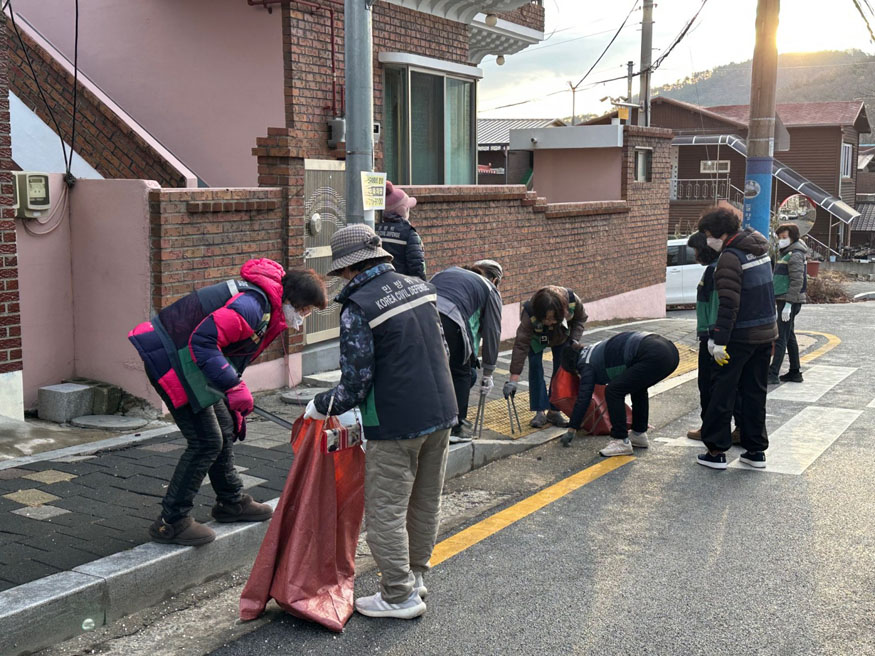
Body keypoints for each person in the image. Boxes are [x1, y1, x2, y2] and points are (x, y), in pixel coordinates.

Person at [303, 224, 457, 620]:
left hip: (397, 419)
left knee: (387, 509)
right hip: (442, 410)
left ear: (349, 269)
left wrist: (321, 405)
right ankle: (417, 578)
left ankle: (399, 595)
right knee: (425, 501)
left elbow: (355, 383)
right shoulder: (420, 286)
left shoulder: (360, 307)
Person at [128, 260, 327, 546]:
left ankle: (231, 502)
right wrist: (233, 386)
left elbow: (226, 350)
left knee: (223, 426)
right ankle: (171, 522)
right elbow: (204, 342)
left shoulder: (264, 304)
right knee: (206, 441)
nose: (303, 317)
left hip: (188, 361)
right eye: (305, 310)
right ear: (292, 300)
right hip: (171, 359)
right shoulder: (252, 306)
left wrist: (231, 391)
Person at [695, 206, 777, 470]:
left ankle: (716, 451)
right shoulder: (759, 249)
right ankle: (755, 450)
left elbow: (729, 305)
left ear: (720, 233)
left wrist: (718, 340)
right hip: (766, 333)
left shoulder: (731, 257)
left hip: (740, 337)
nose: (708, 240)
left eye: (708, 234)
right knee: (755, 392)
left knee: (722, 391)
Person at [558, 331, 679, 456]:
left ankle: (621, 440)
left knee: (613, 391)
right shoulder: (592, 349)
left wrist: (572, 429)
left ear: (573, 367)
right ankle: (638, 434)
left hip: (654, 354)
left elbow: (584, 398)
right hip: (670, 351)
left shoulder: (585, 364)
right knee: (637, 386)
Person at [430, 261, 503, 443]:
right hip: (450, 320)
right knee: (461, 372)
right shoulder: (490, 289)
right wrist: (488, 372)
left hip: (420, 315)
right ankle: (456, 428)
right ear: (495, 280)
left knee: (432, 371)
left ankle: (430, 419)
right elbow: (492, 332)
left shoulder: (446, 271)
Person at [685, 231, 741, 444]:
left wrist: (711, 336)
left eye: (697, 250)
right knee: (729, 386)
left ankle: (710, 428)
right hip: (720, 335)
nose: (696, 254)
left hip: (712, 338)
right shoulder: (721, 266)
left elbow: (714, 304)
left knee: (709, 386)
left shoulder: (713, 270)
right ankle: (736, 428)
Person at [505, 286, 588, 428]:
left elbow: (581, 319)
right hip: (537, 338)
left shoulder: (573, 302)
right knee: (536, 369)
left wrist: (573, 341)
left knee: (561, 372)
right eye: (545, 319)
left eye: (552, 318)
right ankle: (539, 411)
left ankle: (554, 411)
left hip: (561, 337)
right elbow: (521, 344)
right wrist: (513, 380)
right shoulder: (529, 312)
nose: (549, 322)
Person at [768, 222, 808, 385]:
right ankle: (795, 372)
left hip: (788, 300)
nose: (781, 240)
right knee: (789, 335)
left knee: (781, 337)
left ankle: (773, 373)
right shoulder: (787, 252)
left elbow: (797, 280)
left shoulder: (795, 254)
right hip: (784, 299)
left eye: (784, 237)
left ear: (792, 237)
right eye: (780, 237)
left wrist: (789, 305)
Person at [374, 181, 426, 280]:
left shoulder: (375, 230)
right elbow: (416, 266)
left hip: (380, 284)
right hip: (402, 286)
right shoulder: (409, 234)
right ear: (403, 210)